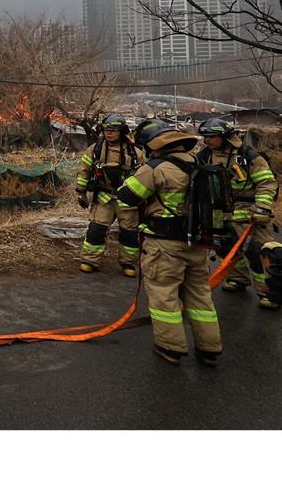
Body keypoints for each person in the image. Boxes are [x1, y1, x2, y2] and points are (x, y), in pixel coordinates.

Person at [117, 119, 221, 366]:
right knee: (200, 297)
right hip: (196, 245)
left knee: (164, 296)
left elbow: (126, 197)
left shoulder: (156, 167)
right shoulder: (199, 164)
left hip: (164, 245)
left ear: (153, 145)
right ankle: (210, 348)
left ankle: (170, 347)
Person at [196, 117, 279, 310]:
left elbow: (266, 183)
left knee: (257, 252)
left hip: (250, 212)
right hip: (220, 211)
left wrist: (263, 208)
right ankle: (238, 279)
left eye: (212, 136)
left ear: (225, 137)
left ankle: (269, 292)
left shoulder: (248, 156)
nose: (207, 140)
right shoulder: (204, 156)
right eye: (205, 137)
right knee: (226, 248)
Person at [74, 114, 143, 276]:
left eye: (113, 130)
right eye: (106, 130)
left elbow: (144, 176)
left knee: (129, 234)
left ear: (122, 131)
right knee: (96, 230)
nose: (109, 133)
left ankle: (128, 264)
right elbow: (84, 170)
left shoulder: (135, 153)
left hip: (127, 199)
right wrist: (81, 192)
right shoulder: (95, 149)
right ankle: (90, 260)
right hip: (104, 197)